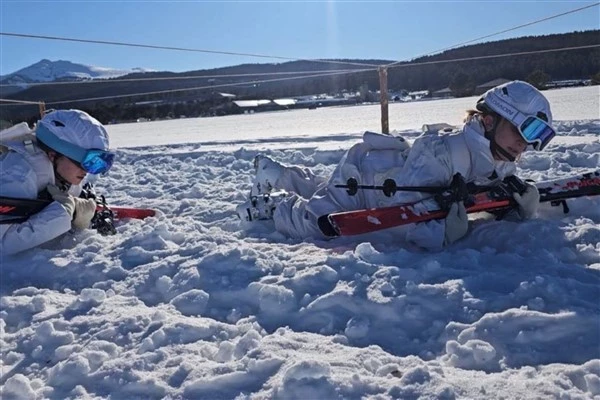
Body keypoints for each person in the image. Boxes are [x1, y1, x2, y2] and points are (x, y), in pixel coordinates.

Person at [236, 80, 556, 250]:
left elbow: (484, 190)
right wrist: (445, 233)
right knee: (315, 223)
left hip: (378, 178)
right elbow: (406, 222)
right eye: (522, 131)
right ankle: (273, 206)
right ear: (488, 120)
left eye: (536, 137)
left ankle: (275, 173)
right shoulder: (442, 153)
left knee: (323, 189)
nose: (525, 144)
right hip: (362, 179)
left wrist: (514, 203)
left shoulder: (497, 156)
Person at [0, 109, 114, 255]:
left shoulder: (65, 170)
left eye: (96, 164)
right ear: (53, 155)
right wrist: (65, 213)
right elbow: (2, 244)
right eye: (84, 163)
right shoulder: (18, 175)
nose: (87, 171)